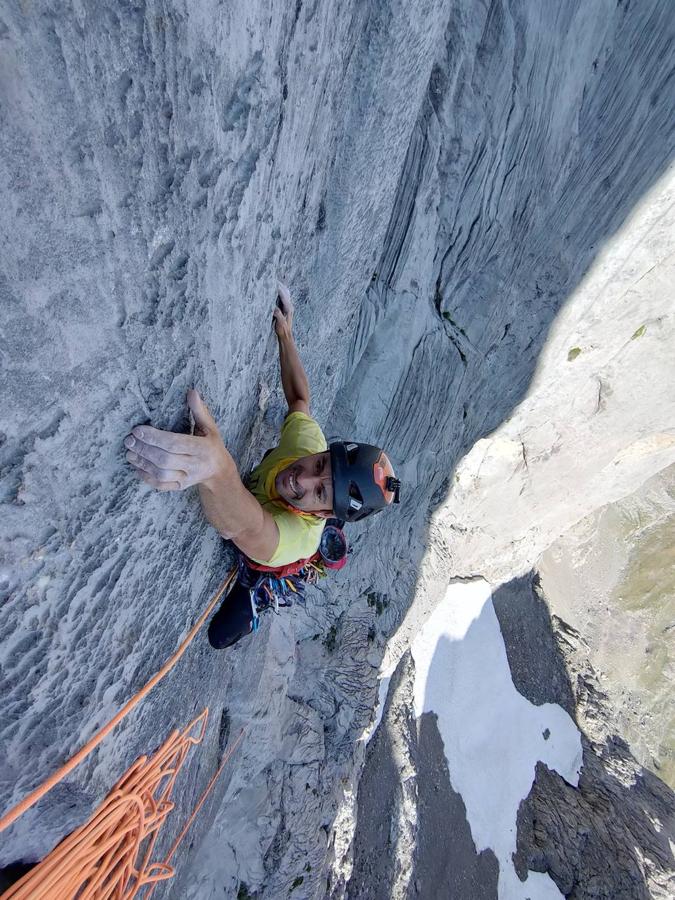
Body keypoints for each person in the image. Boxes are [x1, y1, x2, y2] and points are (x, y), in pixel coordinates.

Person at [124, 282, 400, 647]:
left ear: (321, 514)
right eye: (320, 465)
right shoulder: (307, 445)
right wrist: (285, 335)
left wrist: (216, 468)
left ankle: (258, 601)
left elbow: (245, 526)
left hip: (262, 559)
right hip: (265, 518)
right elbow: (299, 399)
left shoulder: (297, 538)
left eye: (319, 490)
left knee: (221, 635)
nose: (303, 477)